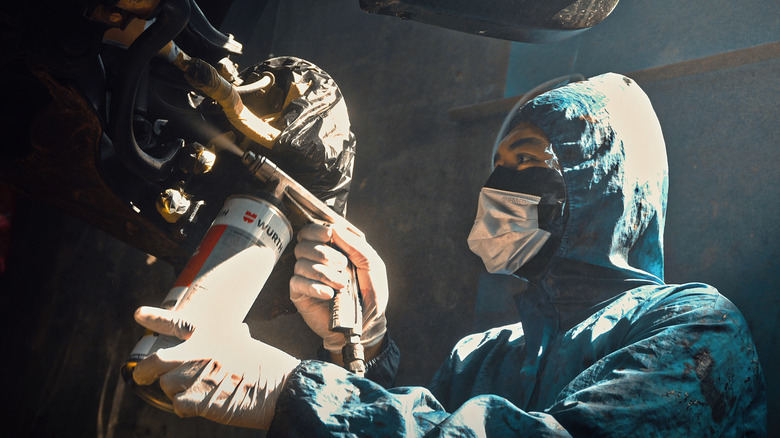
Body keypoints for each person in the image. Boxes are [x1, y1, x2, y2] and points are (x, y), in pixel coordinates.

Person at [131, 73, 767, 436]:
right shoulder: (485, 354)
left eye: (531, 163)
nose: (499, 189)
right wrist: (361, 346)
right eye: (498, 168)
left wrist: (285, 388)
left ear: (605, 186)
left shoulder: (696, 327)